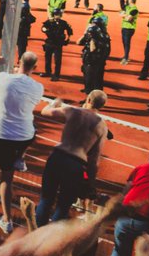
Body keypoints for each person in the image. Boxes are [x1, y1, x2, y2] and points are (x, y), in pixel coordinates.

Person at [0, 52, 44, 233]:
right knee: (33, 132)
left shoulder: (3, 78)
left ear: (18, 62)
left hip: (2, 135)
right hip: (24, 137)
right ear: (35, 67)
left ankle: (7, 219)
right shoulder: (38, 87)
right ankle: (20, 157)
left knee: (5, 178)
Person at [34, 91, 107, 225]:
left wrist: (55, 102)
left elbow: (45, 111)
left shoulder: (72, 111)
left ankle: (36, 233)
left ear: (88, 99)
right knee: (64, 205)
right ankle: (51, 240)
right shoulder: (101, 126)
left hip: (57, 157)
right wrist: (90, 182)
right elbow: (94, 160)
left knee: (46, 199)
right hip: (76, 165)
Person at [78, 17, 110, 94]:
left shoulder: (103, 36)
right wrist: (86, 33)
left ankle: (94, 94)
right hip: (89, 59)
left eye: (94, 23)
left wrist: (92, 38)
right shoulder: (92, 33)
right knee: (88, 77)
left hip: (96, 60)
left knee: (96, 79)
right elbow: (79, 42)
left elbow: (94, 49)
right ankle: (88, 89)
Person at [40, 9, 72, 81]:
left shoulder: (63, 23)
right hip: (49, 43)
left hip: (58, 44)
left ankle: (56, 75)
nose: (58, 16)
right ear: (54, 15)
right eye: (56, 15)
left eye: (59, 15)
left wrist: (68, 39)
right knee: (47, 58)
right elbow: (43, 28)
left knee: (57, 60)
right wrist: (45, 30)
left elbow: (69, 31)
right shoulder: (49, 22)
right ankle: (47, 72)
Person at [118, 0, 138, 64]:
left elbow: (129, 18)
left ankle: (126, 58)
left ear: (131, 0)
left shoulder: (134, 9)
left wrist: (124, 15)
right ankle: (126, 55)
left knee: (127, 43)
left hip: (130, 28)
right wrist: (126, 15)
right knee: (124, 42)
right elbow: (120, 14)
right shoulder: (127, 7)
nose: (127, 0)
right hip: (124, 27)